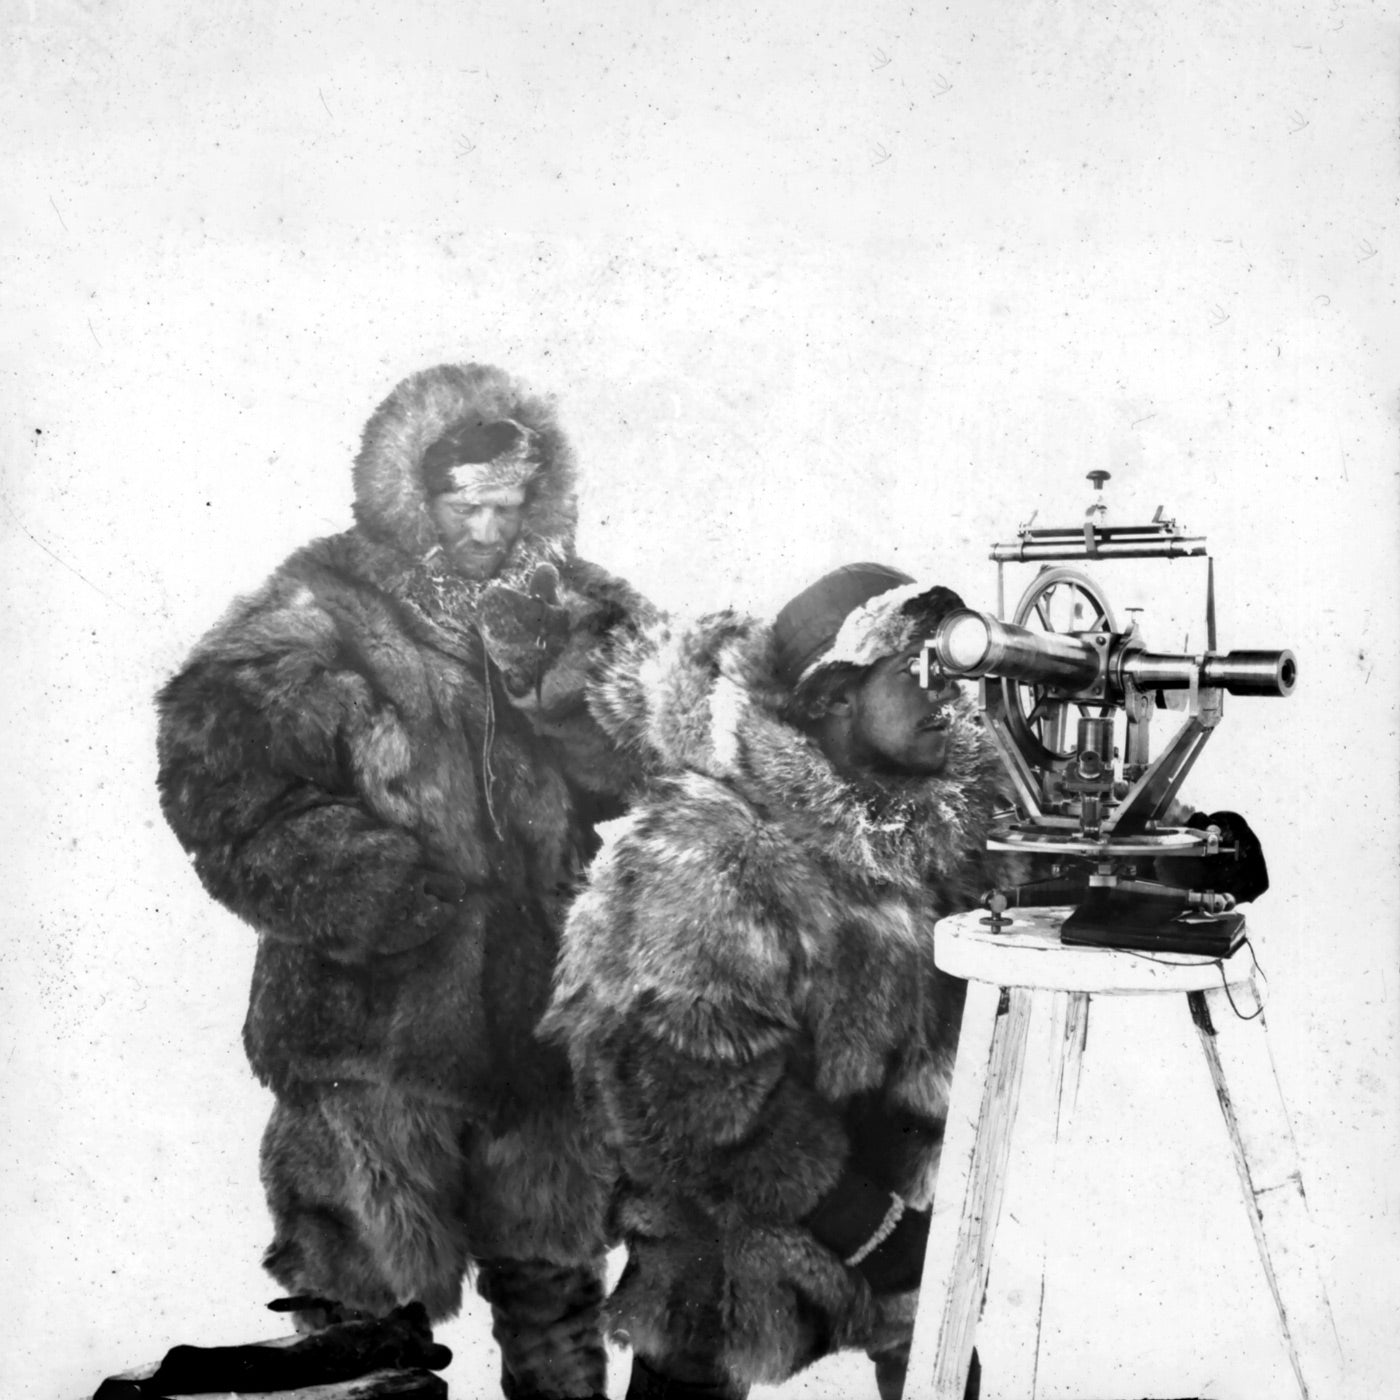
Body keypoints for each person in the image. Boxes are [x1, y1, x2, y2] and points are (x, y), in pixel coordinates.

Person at [156, 361, 652, 1400]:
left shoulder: (575, 607)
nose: (488, 529)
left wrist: (552, 686)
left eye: (509, 506)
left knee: (556, 1310)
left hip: (541, 1031)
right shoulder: (325, 602)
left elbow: (650, 758)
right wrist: (362, 885)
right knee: (361, 1335)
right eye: (465, 506)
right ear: (412, 494)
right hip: (371, 1032)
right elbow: (216, 767)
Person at [542, 563, 1028, 1400]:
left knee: (940, 1354)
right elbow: (689, 1095)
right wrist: (868, 1226)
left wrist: (1184, 864)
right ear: (833, 697)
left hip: (897, 1191)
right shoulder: (717, 848)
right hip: (736, 1215)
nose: (946, 698)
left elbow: (1048, 866)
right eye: (916, 673)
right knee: (699, 1346)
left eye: (952, 674)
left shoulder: (939, 811)